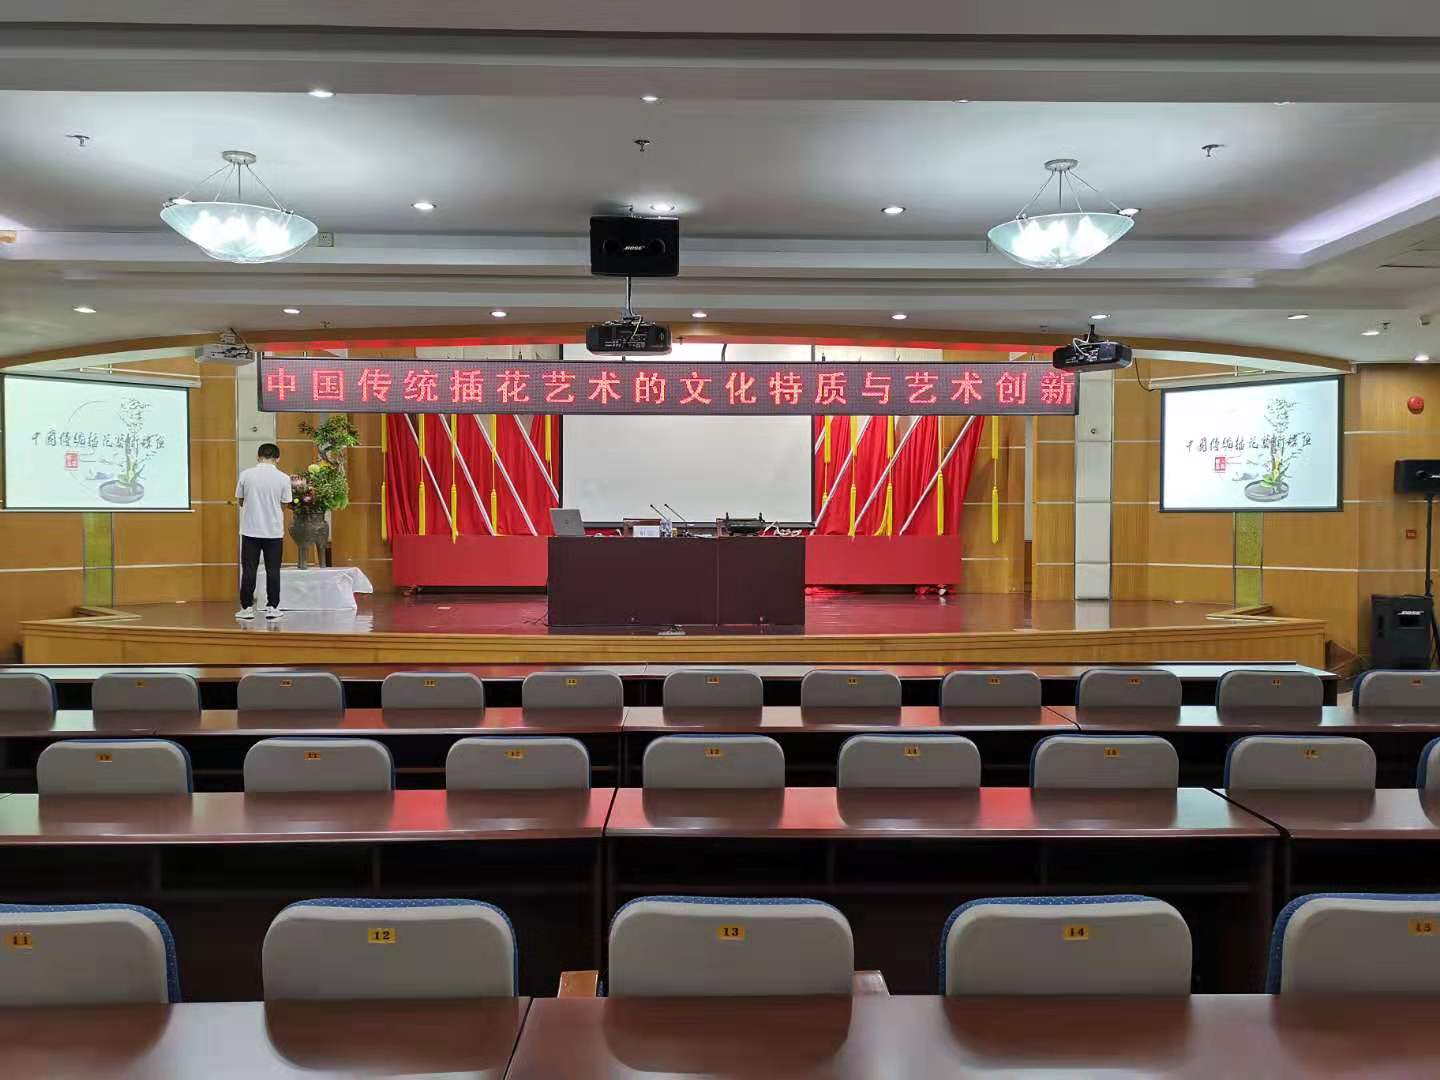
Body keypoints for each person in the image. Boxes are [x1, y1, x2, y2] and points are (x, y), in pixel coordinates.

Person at [235, 443, 292, 620]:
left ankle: (246, 608)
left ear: (258, 457)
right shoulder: (283, 478)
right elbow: (285, 503)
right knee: (273, 570)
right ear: (278, 459)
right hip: (273, 532)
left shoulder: (246, 474)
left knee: (249, 570)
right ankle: (272, 607)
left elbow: (240, 500)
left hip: (250, 530)